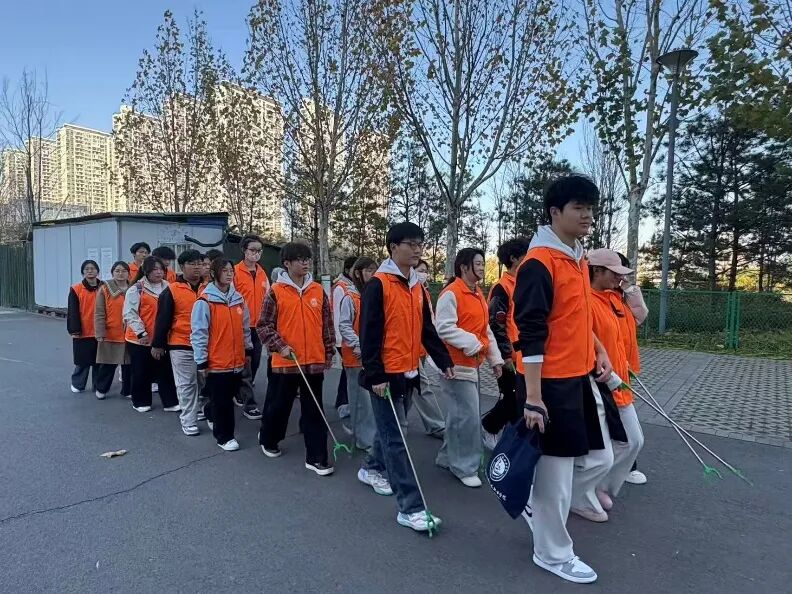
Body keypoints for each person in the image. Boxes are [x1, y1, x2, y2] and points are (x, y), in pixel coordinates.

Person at [514, 174, 625, 584]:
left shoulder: (576, 256)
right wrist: (533, 396)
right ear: (555, 212)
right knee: (556, 477)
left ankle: (539, 506)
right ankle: (553, 553)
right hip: (550, 385)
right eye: (579, 208)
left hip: (578, 378)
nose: (588, 216)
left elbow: (575, 317)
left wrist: (598, 350)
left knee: (596, 459)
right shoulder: (540, 263)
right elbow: (530, 331)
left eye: (590, 208)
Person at [356, 222, 454, 532]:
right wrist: (375, 375)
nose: (417, 249)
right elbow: (368, 334)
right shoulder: (379, 285)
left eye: (420, 244)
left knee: (392, 430)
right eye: (411, 244)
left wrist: (443, 360)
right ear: (393, 247)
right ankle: (410, 507)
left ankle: (371, 467)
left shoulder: (417, 286)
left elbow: (426, 328)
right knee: (397, 439)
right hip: (384, 376)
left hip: (409, 371)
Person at [257, 242, 335, 476]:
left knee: (314, 410)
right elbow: (264, 326)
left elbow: (327, 325)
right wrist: (280, 346)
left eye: (307, 259)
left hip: (313, 362)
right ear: (287, 263)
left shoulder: (318, 290)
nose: (305, 263)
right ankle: (269, 438)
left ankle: (317, 457)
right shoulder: (276, 291)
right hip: (286, 362)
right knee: (279, 406)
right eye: (300, 259)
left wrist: (328, 352)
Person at [434, 248, 504, 488]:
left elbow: (486, 329)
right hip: (455, 366)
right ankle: (464, 466)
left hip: (471, 364)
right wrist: (473, 344)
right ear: (464, 267)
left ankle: (448, 457)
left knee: (460, 415)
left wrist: (495, 359)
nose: (483, 268)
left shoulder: (477, 294)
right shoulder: (451, 293)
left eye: (483, 264)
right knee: (467, 417)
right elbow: (443, 327)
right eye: (478, 264)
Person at [586, 248, 644, 510]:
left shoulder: (613, 298)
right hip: (601, 383)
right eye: (614, 273)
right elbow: (585, 342)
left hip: (621, 379)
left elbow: (631, 327)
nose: (619, 278)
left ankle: (602, 488)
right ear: (597, 271)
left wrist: (626, 365)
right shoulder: (585, 300)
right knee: (614, 445)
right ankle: (588, 490)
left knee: (634, 441)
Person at [191, 258, 253, 451]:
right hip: (216, 361)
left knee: (229, 395)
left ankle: (209, 411)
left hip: (237, 360)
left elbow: (245, 328)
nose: (229, 274)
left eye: (231, 271)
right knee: (223, 401)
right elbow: (199, 333)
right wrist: (201, 361)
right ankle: (225, 437)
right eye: (224, 271)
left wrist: (248, 349)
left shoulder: (239, 299)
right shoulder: (204, 301)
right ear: (214, 274)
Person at [152, 250, 207, 436]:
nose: (197, 267)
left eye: (200, 263)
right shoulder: (172, 290)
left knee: (203, 381)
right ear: (182, 267)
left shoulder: (209, 288)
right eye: (192, 263)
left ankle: (200, 408)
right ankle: (188, 420)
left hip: (206, 344)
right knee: (186, 383)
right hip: (181, 343)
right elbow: (162, 320)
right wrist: (158, 344)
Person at [482, 238, 530, 448]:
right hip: (509, 354)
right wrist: (505, 355)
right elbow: (496, 324)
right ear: (514, 259)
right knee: (511, 398)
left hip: (524, 353)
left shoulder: (524, 284)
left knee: (520, 398)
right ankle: (489, 427)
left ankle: (510, 436)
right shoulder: (502, 287)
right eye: (526, 256)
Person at [123, 256, 180, 413]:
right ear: (146, 271)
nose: (159, 272)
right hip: (139, 339)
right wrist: (141, 333)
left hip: (162, 337)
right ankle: (140, 401)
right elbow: (130, 313)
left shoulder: (169, 287)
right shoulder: (136, 289)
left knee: (165, 371)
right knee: (141, 371)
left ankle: (170, 401)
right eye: (154, 269)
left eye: (161, 269)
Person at [338, 256, 378, 451]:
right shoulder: (350, 297)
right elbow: (344, 325)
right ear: (358, 273)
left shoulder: (374, 295)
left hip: (372, 355)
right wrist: (358, 344)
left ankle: (367, 435)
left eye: (374, 270)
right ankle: (363, 439)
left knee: (370, 400)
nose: (372, 274)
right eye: (368, 270)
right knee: (360, 400)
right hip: (355, 355)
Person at [617, 252, 649, 485]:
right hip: (605, 370)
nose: (621, 277)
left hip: (625, 366)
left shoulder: (623, 297)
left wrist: (629, 289)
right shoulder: (597, 298)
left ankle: (626, 466)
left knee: (623, 421)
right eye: (617, 272)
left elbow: (641, 315)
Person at [233, 235, 269, 421]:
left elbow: (268, 297)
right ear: (244, 250)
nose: (256, 254)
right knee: (244, 362)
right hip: (241, 325)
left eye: (259, 250)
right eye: (252, 250)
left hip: (259, 325)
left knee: (255, 360)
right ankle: (248, 400)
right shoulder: (234, 272)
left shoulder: (262, 273)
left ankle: (241, 388)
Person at [410, 259, 447, 438]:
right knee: (422, 386)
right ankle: (436, 425)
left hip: (422, 347)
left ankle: (393, 423)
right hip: (410, 350)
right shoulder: (409, 290)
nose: (424, 274)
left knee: (412, 388)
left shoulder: (422, 291)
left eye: (426, 271)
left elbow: (428, 323)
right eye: (420, 270)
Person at [94, 261, 131, 399]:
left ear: (128, 273)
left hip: (130, 333)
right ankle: (101, 389)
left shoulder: (134, 288)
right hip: (111, 333)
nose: (121, 274)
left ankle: (128, 390)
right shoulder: (105, 289)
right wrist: (100, 332)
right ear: (112, 273)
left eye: (124, 271)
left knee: (129, 364)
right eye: (117, 271)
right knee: (108, 363)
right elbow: (99, 312)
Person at [67, 260, 104, 394]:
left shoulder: (104, 287)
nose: (90, 271)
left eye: (93, 268)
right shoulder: (76, 289)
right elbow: (72, 311)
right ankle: (78, 384)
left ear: (97, 271)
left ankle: (98, 385)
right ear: (83, 272)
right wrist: (74, 329)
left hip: (101, 331)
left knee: (100, 361)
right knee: (82, 361)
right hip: (83, 331)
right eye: (87, 269)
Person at [332, 256, 358, 422]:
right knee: (348, 371)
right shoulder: (340, 287)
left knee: (347, 371)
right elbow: (337, 315)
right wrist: (340, 339)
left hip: (349, 337)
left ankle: (342, 401)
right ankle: (344, 402)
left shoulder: (353, 286)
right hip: (343, 338)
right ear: (348, 269)